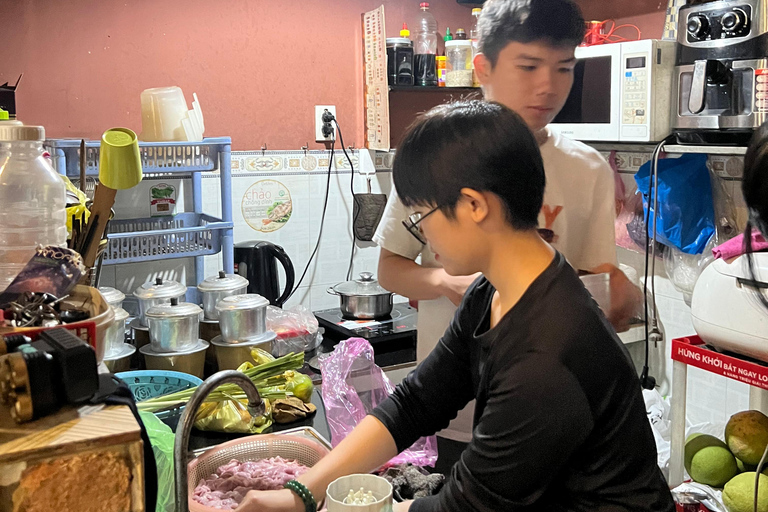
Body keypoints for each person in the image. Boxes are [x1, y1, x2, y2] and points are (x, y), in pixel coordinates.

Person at [235, 100, 674, 512]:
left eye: (424, 217)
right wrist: (302, 494)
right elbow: (416, 402)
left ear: (474, 206)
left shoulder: (545, 360)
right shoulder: (495, 290)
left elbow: (463, 507)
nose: (423, 236)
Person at [373, 0, 642, 467]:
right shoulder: (441, 159)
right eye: (528, 66)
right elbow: (389, 270)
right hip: (457, 399)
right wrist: (445, 283)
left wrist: (615, 295)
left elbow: (596, 276)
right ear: (483, 68)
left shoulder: (589, 168)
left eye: (563, 68)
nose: (548, 86)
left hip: (544, 393)